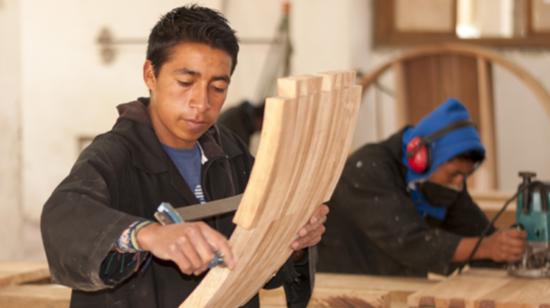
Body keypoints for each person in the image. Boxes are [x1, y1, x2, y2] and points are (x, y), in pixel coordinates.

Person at [41, 5, 328, 307]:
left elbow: (262, 264)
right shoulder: (115, 155)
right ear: (150, 74)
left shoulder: (230, 154)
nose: (201, 103)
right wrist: (146, 235)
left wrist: (294, 241)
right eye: (185, 83)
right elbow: (62, 218)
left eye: (217, 87)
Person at [317, 98, 526, 277]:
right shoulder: (367, 170)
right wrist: (487, 248)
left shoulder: (440, 179)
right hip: (340, 292)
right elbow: (412, 243)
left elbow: (478, 233)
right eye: (454, 174)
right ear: (420, 157)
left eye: (465, 176)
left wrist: (512, 249)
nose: (459, 184)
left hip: (391, 292)